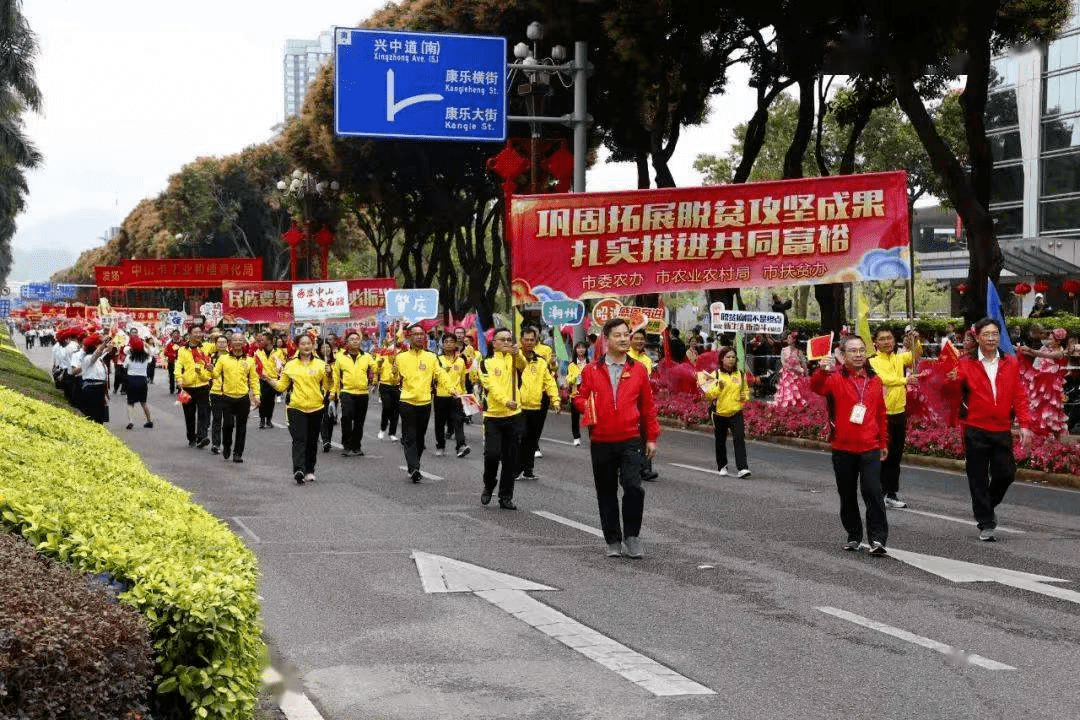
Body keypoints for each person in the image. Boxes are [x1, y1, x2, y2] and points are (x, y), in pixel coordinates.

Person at [573, 318, 660, 559]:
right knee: (606, 491)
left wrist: (651, 437)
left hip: (631, 438)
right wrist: (588, 406)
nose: (624, 339)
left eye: (626, 334)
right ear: (606, 339)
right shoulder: (591, 370)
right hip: (601, 439)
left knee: (634, 487)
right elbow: (579, 398)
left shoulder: (639, 370)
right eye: (618, 335)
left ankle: (632, 536)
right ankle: (613, 539)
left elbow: (648, 407)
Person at [944, 318, 1033, 541]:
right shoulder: (965, 362)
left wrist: (1025, 424)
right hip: (974, 427)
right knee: (978, 477)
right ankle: (986, 521)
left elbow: (1019, 395)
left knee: (1006, 473)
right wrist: (952, 380)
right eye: (987, 334)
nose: (992, 338)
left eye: (995, 334)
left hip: (1001, 427)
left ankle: (985, 505)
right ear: (978, 337)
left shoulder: (1010, 362)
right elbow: (951, 390)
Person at [810, 335, 889, 555]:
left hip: (870, 446)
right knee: (847, 493)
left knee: (873, 491)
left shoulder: (875, 380)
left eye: (861, 350)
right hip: (843, 447)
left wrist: (883, 441)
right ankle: (854, 535)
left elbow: (881, 413)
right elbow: (816, 387)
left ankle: (878, 539)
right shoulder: (834, 378)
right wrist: (822, 370)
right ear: (843, 356)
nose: (858, 354)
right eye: (852, 351)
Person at [262, 332, 331, 484]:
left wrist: (330, 374)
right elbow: (281, 386)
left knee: (312, 441)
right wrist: (267, 378)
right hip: (296, 407)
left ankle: (310, 470)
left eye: (309, 343)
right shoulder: (290, 365)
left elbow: (328, 387)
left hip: (316, 407)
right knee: (299, 439)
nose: (306, 346)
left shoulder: (321, 364)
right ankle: (298, 469)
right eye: (303, 344)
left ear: (313, 345)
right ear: (298, 346)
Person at [868, 326, 923, 509]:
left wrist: (916, 340)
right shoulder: (872, 361)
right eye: (882, 339)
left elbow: (915, 355)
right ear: (875, 342)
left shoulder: (899, 358)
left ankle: (891, 493)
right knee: (882, 455)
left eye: (889, 338)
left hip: (899, 412)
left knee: (896, 456)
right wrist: (905, 380)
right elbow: (883, 379)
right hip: (881, 415)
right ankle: (878, 492)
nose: (886, 342)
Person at [394, 323, 451, 483]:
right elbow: (395, 381)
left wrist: (452, 388)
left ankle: (414, 465)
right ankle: (414, 468)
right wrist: (393, 373)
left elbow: (440, 375)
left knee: (420, 437)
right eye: (415, 334)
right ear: (409, 337)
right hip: (407, 401)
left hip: (425, 402)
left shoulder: (431, 357)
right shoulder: (400, 357)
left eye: (421, 334)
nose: (419, 336)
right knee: (410, 436)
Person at [478, 327, 527, 509]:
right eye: (502, 340)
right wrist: (506, 401)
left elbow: (523, 366)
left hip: (514, 416)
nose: (507, 342)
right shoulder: (486, 363)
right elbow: (491, 386)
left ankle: (505, 497)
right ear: (494, 343)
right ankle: (489, 484)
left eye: (509, 339)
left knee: (510, 459)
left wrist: (518, 354)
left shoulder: (514, 357)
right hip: (493, 416)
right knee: (492, 455)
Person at [699, 346, 751, 477]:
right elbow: (709, 395)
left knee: (739, 439)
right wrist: (719, 388)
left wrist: (744, 397)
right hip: (719, 413)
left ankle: (742, 468)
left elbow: (745, 391)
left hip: (736, 412)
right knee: (720, 440)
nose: (731, 359)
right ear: (722, 359)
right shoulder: (715, 374)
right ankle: (722, 466)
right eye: (728, 357)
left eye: (733, 357)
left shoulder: (740, 374)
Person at [517, 327, 561, 480]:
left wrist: (555, 400)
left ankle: (528, 470)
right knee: (521, 438)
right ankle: (516, 468)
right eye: (526, 339)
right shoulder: (513, 359)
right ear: (521, 340)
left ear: (536, 341)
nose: (529, 342)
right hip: (517, 407)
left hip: (536, 406)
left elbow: (549, 382)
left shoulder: (541, 362)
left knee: (533, 439)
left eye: (532, 340)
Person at [213, 333, 260, 463]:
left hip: (243, 398)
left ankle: (238, 453)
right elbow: (215, 374)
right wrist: (210, 370)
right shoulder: (223, 359)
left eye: (240, 340)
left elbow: (254, 379)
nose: (238, 342)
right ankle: (227, 446)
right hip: (227, 397)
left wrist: (256, 395)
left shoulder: (249, 360)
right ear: (231, 343)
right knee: (227, 425)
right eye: (235, 340)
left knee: (242, 427)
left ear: (243, 342)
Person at [1018, 327, 1069, 437]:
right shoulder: (1045, 348)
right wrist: (1022, 350)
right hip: (1040, 383)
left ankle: (1055, 437)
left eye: (1051, 338)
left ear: (1058, 340)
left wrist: (1030, 350)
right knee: (1038, 408)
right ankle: (1041, 433)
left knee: (1052, 411)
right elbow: (1036, 354)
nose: (1048, 340)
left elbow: (1045, 356)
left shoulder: (1061, 352)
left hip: (1052, 386)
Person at [332, 330, 376, 457]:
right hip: (346, 392)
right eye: (352, 339)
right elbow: (336, 377)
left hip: (363, 393)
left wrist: (382, 363)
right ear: (347, 342)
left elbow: (375, 369)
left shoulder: (366, 356)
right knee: (346, 418)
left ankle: (357, 446)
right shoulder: (340, 358)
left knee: (359, 421)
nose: (355, 341)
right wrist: (334, 393)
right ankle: (346, 445)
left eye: (357, 339)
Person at [628, 329, 659, 481]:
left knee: (646, 434)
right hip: (629, 401)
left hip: (644, 401)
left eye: (642, 339)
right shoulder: (625, 356)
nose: (639, 341)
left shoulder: (647, 359)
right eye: (637, 338)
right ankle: (627, 467)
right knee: (631, 435)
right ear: (630, 339)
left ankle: (646, 469)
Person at [175, 327, 213, 448]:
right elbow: (178, 366)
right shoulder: (182, 350)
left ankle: (202, 437)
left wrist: (216, 332)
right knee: (189, 414)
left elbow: (220, 343)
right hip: (187, 387)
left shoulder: (206, 347)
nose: (198, 334)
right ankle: (191, 437)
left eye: (200, 332)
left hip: (203, 385)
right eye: (195, 332)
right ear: (189, 335)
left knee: (204, 413)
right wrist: (179, 379)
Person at [433, 334, 470, 458]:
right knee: (440, 422)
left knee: (458, 421)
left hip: (457, 396)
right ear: (443, 344)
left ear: (455, 344)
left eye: (451, 342)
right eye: (446, 342)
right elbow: (434, 378)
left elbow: (462, 380)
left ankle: (461, 445)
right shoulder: (437, 360)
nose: (449, 344)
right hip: (441, 395)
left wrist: (464, 394)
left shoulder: (460, 360)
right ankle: (440, 445)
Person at [122, 336, 154, 430]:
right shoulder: (146, 357)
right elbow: (151, 356)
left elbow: (125, 366)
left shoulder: (129, 357)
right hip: (142, 380)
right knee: (143, 402)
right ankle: (149, 421)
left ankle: (131, 421)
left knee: (130, 402)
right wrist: (147, 347)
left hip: (131, 380)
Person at [771, 332, 809, 410]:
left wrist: (806, 374)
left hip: (796, 376)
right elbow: (783, 362)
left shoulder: (799, 352)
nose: (787, 339)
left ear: (794, 340)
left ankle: (795, 408)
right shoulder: (784, 350)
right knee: (786, 392)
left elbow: (804, 364)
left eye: (789, 338)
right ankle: (787, 408)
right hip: (787, 376)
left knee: (796, 393)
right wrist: (791, 368)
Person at [564, 341, 590, 446]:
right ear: (575, 350)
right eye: (578, 348)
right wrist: (575, 378)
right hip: (575, 393)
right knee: (575, 417)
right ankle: (576, 437)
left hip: (588, 394)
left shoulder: (589, 363)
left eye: (583, 348)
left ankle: (591, 437)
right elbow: (568, 379)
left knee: (590, 415)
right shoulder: (572, 365)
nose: (581, 350)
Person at [375, 337, 401, 441]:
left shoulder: (400, 355)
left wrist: (396, 371)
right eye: (389, 342)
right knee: (387, 407)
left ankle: (392, 433)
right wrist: (379, 365)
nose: (391, 344)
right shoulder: (381, 353)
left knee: (396, 410)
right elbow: (376, 370)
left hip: (396, 386)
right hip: (384, 384)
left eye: (393, 342)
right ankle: (382, 428)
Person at [254, 333, 282, 429]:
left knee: (271, 402)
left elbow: (282, 365)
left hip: (273, 380)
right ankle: (262, 420)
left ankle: (269, 420)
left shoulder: (278, 352)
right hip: (262, 380)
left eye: (263, 340)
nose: (261, 341)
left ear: (269, 341)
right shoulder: (258, 351)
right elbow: (255, 365)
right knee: (262, 401)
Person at [207, 335, 230, 454]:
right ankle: (216, 444)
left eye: (224, 342)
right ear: (215, 344)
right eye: (219, 342)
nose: (221, 344)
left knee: (228, 421)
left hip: (229, 392)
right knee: (217, 419)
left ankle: (226, 444)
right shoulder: (211, 357)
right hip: (215, 391)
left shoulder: (232, 357)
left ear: (227, 344)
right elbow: (208, 374)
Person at [317, 338, 338, 453]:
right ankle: (325, 440)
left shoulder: (336, 362)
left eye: (328, 347)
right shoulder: (316, 362)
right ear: (319, 350)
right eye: (323, 347)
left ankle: (328, 439)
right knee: (323, 417)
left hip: (333, 393)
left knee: (330, 418)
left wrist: (330, 373)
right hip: (320, 392)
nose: (326, 349)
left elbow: (337, 379)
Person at [164, 329, 182, 395]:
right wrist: (172, 355)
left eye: (177, 333)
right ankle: (172, 388)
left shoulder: (182, 343)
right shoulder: (169, 344)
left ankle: (180, 389)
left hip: (180, 362)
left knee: (180, 375)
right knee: (171, 375)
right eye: (174, 334)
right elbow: (165, 353)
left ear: (179, 335)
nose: (176, 335)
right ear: (172, 335)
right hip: (171, 362)